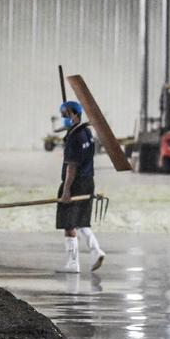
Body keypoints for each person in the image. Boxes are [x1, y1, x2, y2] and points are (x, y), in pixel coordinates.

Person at [56, 101, 105, 273]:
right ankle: (96, 250)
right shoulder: (86, 132)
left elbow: (72, 166)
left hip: (75, 184)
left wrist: (66, 190)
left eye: (64, 114)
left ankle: (72, 264)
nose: (62, 117)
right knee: (81, 220)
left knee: (69, 224)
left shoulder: (74, 137)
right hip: (88, 181)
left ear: (73, 113)